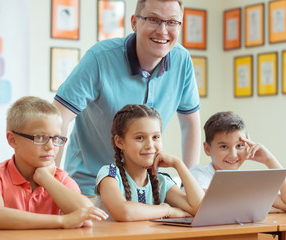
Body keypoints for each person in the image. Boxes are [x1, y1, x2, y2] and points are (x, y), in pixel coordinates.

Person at [53, 0, 201, 196]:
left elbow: (190, 125)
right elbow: (57, 117)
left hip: (144, 189)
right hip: (90, 187)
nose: (163, 30)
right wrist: (51, 184)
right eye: (153, 19)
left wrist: (187, 185)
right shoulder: (100, 58)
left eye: (172, 22)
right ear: (134, 22)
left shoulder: (182, 60)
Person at [0, 96, 108, 229]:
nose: (50, 146)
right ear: (13, 140)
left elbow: (87, 216)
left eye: (56, 138)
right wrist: (62, 221)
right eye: (40, 137)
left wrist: (45, 178)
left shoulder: (60, 179)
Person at [95, 104, 204, 221]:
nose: (150, 146)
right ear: (120, 142)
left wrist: (178, 164)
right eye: (140, 138)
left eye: (156, 137)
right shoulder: (110, 175)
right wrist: (168, 210)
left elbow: (201, 209)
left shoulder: (161, 182)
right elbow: (124, 212)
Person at [190, 111, 286, 213]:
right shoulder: (198, 173)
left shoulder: (247, 181)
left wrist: (269, 160)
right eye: (224, 146)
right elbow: (207, 206)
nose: (233, 155)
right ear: (207, 149)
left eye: (239, 146)